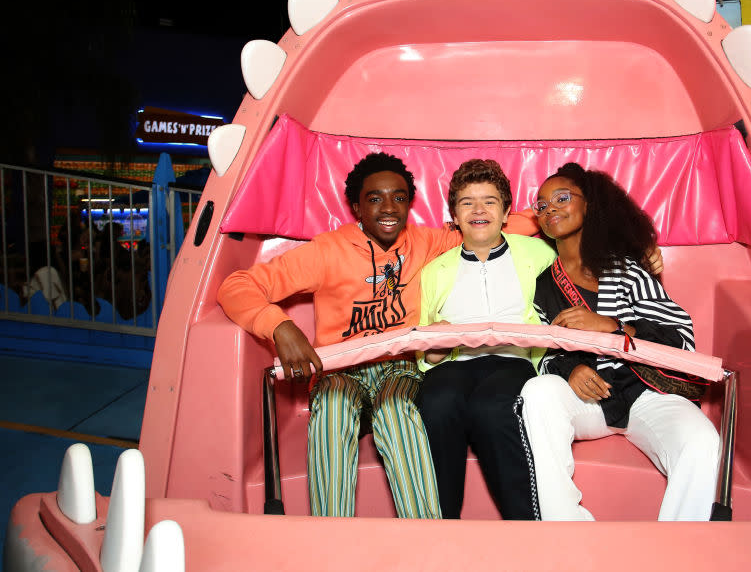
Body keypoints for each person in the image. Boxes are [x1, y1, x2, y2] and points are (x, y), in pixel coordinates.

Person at [218, 152, 537, 518]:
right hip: (341, 371)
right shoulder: (327, 251)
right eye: (374, 198)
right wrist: (278, 324)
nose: (388, 207)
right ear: (356, 206)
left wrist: (547, 212)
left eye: (399, 198)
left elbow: (493, 224)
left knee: (397, 411)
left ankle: (426, 544)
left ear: (408, 205)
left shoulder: (426, 242)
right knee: (332, 411)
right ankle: (331, 544)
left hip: (396, 370)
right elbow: (237, 285)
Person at [520, 162, 721, 522]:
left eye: (562, 198)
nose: (550, 209)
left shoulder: (628, 269)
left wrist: (612, 326)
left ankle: (680, 550)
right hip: (587, 401)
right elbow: (545, 355)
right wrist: (571, 371)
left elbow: (681, 339)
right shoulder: (544, 285)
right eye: (542, 204)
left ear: (590, 205)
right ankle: (567, 534)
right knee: (537, 392)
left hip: (645, 395)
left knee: (700, 440)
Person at [416, 159, 555, 520]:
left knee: (493, 408)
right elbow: (423, 349)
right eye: (467, 203)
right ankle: (441, 527)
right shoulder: (435, 271)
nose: (479, 210)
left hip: (514, 360)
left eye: (490, 201)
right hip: (456, 362)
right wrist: (433, 353)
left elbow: (584, 265)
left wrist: (639, 255)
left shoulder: (538, 254)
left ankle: (524, 526)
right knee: (437, 400)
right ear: (455, 215)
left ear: (507, 211)